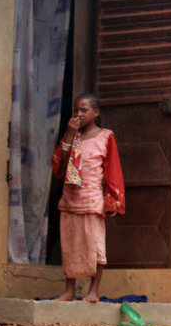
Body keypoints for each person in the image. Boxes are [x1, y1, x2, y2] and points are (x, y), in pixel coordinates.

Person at [50, 93, 125, 302]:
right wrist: (68, 134)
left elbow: (113, 171)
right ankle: (69, 290)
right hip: (70, 199)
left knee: (96, 246)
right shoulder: (72, 136)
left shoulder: (105, 136)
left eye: (84, 110)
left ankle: (93, 290)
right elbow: (59, 166)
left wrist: (113, 201)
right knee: (70, 245)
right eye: (76, 110)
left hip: (92, 199)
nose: (79, 114)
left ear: (96, 113)